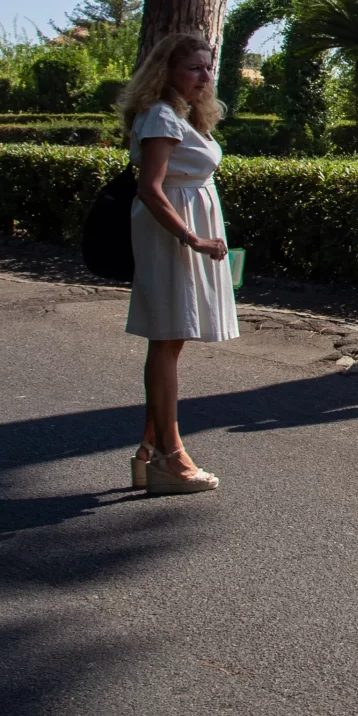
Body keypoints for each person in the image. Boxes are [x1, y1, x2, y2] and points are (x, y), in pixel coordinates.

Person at [120, 33, 237, 495]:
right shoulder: (162, 116)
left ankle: (151, 449)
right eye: (194, 68)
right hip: (173, 235)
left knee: (173, 338)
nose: (205, 77)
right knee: (167, 339)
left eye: (208, 67)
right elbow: (151, 187)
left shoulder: (182, 116)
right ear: (166, 71)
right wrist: (191, 238)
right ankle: (171, 456)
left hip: (186, 230)